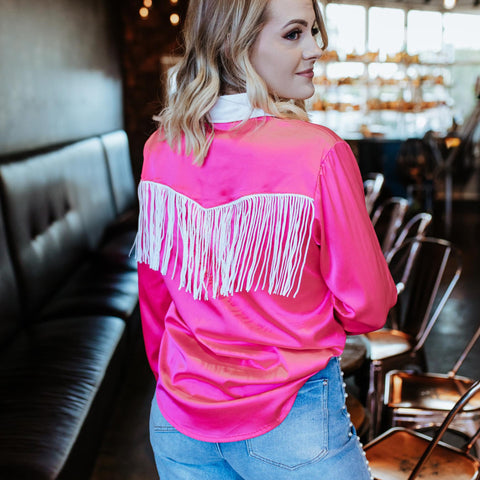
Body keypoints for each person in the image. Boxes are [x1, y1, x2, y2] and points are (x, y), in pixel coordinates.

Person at [134, 0, 397, 478]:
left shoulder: (161, 149)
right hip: (292, 417)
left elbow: (155, 294)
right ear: (237, 45)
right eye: (294, 34)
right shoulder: (319, 152)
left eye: (314, 30)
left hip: (178, 417)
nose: (318, 48)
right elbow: (369, 308)